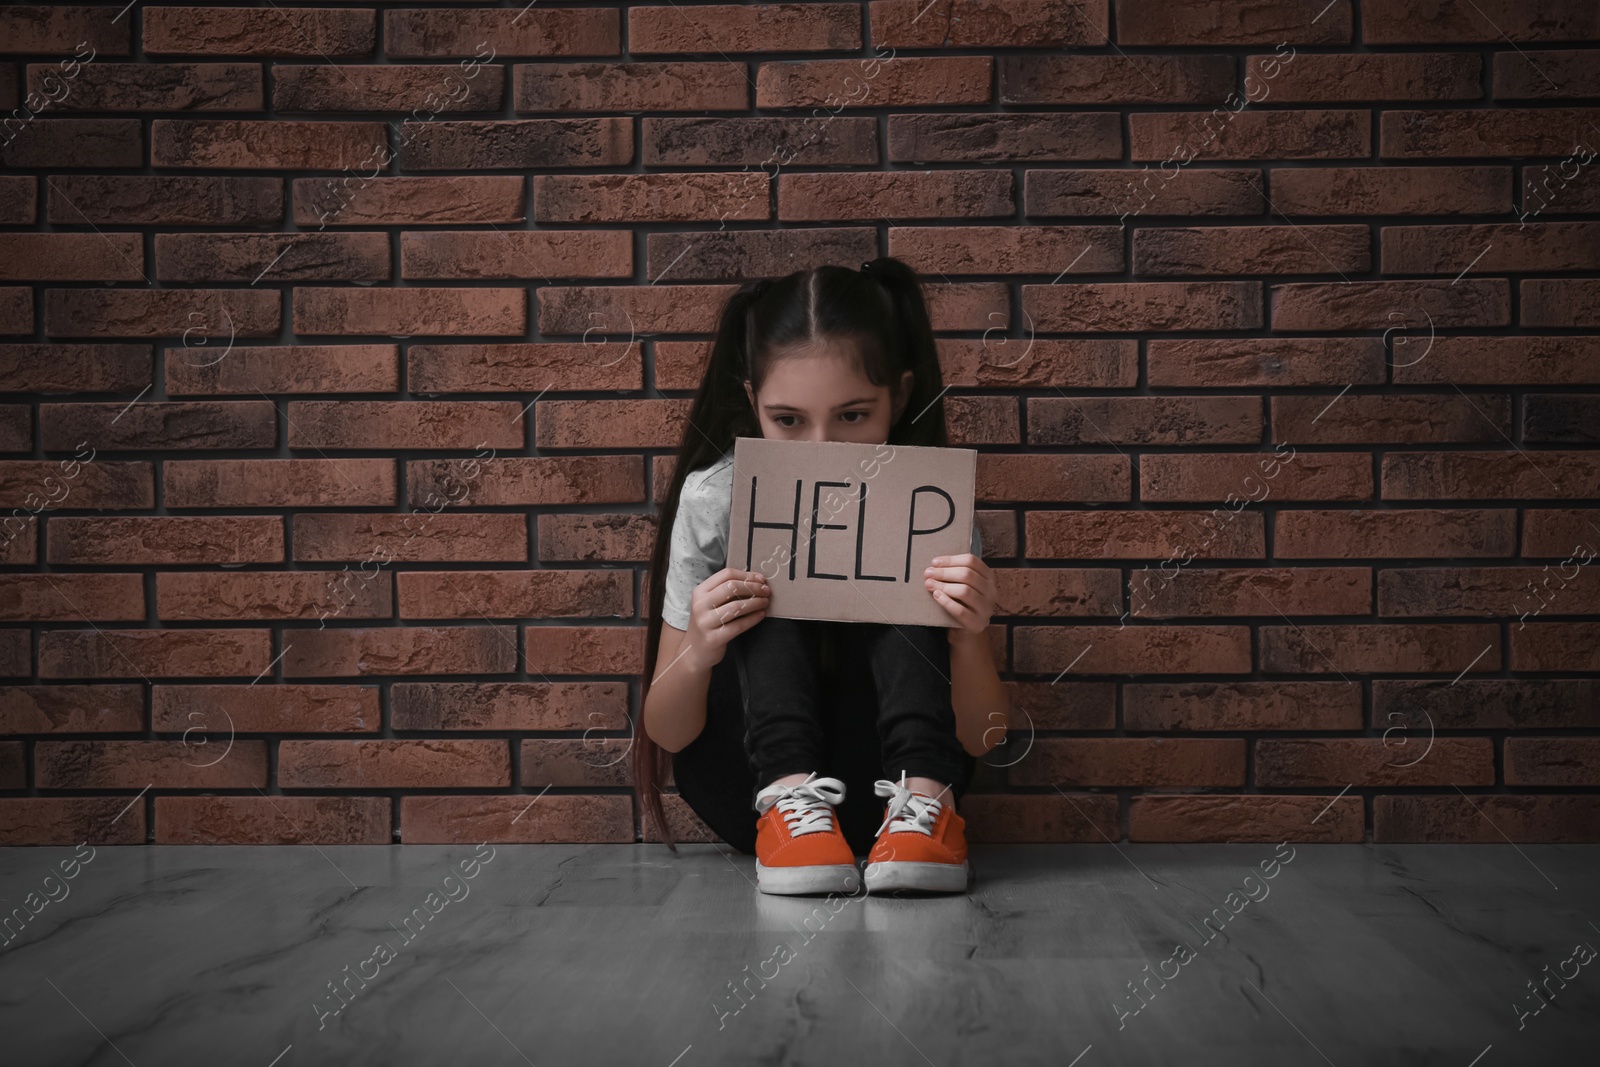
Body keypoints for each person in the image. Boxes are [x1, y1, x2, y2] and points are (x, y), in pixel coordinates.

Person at [635, 257, 1011, 897]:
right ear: (753, 404)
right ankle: (790, 804)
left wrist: (970, 636)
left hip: (895, 791)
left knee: (909, 585)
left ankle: (924, 810)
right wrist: (700, 650)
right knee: (759, 577)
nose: (822, 448)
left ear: (900, 395)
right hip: (748, 785)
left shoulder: (929, 503)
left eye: (854, 416)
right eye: (789, 421)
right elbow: (669, 732)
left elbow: (988, 736)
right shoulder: (718, 499)